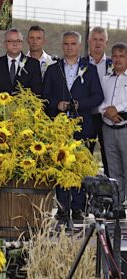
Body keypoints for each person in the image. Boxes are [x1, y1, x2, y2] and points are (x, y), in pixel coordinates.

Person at [42, 31, 103, 222]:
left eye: (73, 44)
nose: (69, 47)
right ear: (62, 46)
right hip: (59, 128)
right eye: (66, 44)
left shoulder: (90, 69)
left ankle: (78, 207)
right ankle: (62, 207)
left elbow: (98, 96)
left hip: (82, 127)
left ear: (79, 46)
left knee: (79, 167)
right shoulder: (53, 69)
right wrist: (56, 104)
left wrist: (80, 105)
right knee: (61, 166)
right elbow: (44, 97)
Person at [98, 42, 127, 220]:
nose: (117, 59)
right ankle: (118, 205)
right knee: (114, 170)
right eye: (115, 56)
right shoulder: (105, 78)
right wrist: (107, 111)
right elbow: (100, 100)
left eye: (121, 56)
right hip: (108, 128)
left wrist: (116, 109)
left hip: (125, 128)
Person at [0, 28, 42, 95]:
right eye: (10, 41)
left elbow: (37, 92)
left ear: (22, 43)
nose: (15, 44)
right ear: (5, 44)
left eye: (18, 41)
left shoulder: (33, 64)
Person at [87, 26, 111, 176]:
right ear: (89, 41)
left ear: (106, 43)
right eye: (94, 39)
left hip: (106, 119)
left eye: (101, 40)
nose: (97, 43)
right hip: (87, 117)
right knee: (84, 156)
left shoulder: (114, 64)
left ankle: (111, 195)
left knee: (108, 158)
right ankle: (80, 196)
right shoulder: (80, 63)